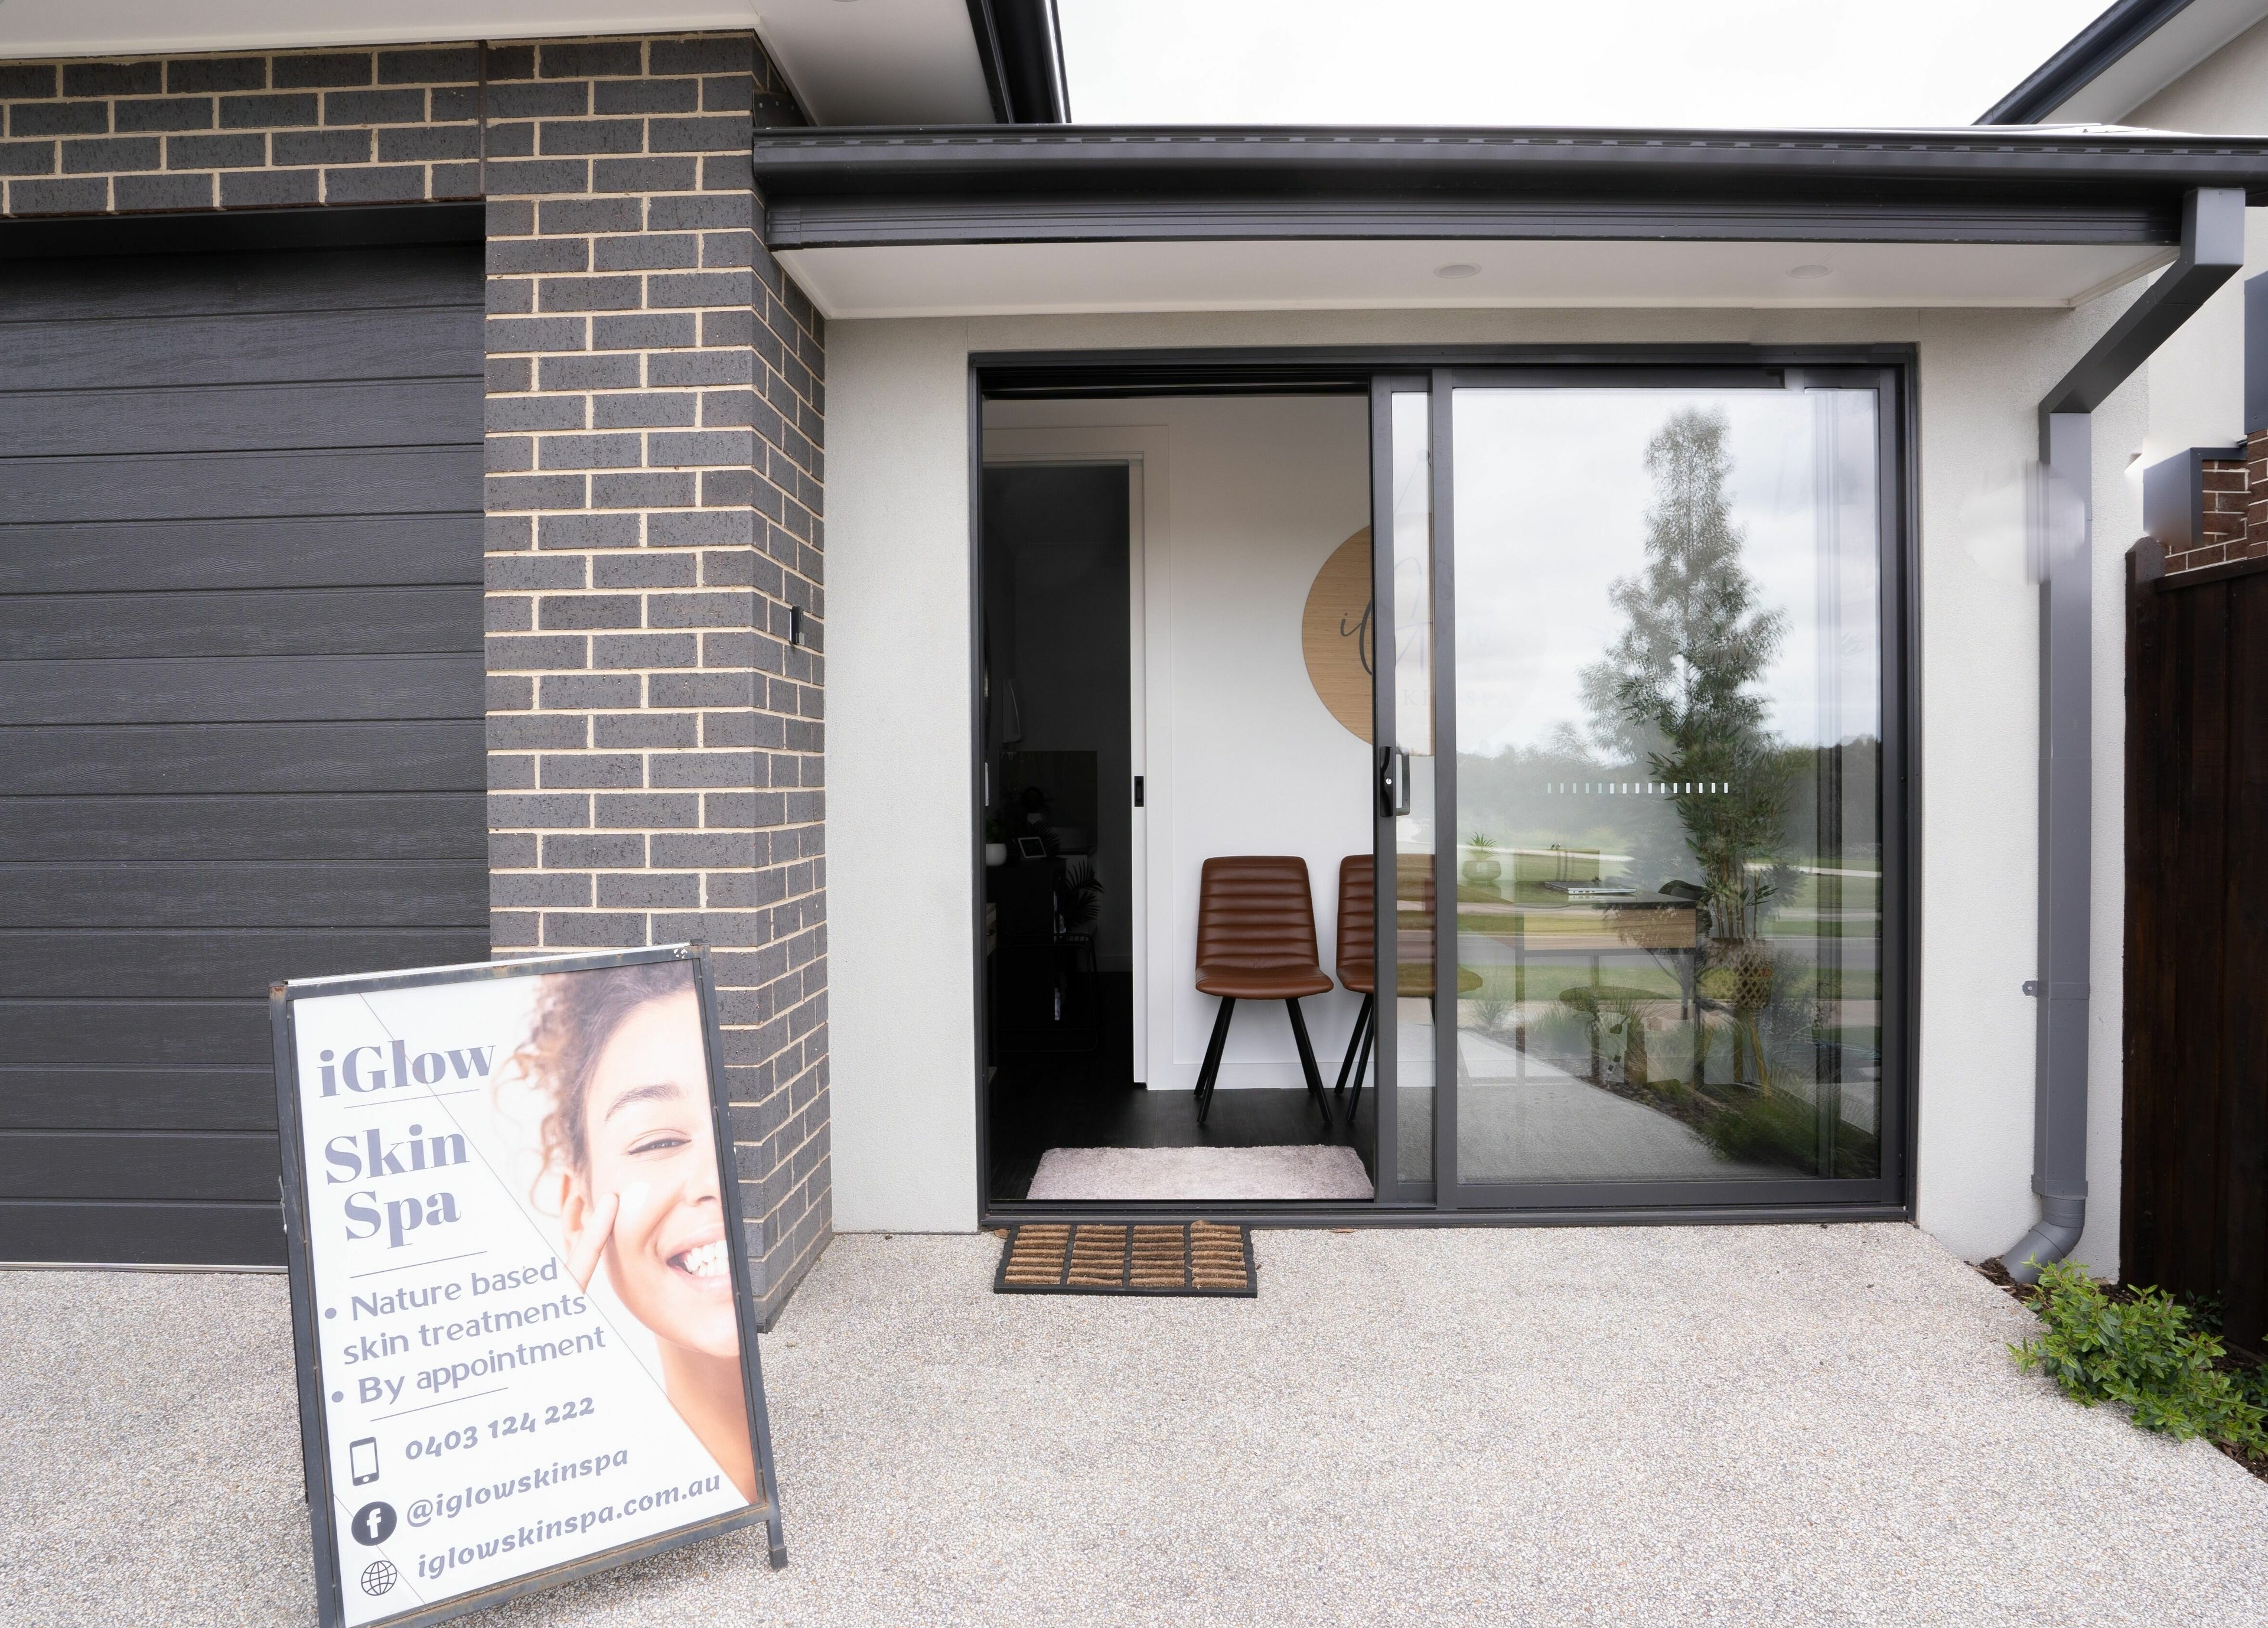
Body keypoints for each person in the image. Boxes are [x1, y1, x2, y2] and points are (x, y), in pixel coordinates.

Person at [507, 960, 756, 1504]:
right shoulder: (561, 1493)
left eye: (741, 1126)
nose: (718, 1181)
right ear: (580, 1213)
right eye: (657, 1142)